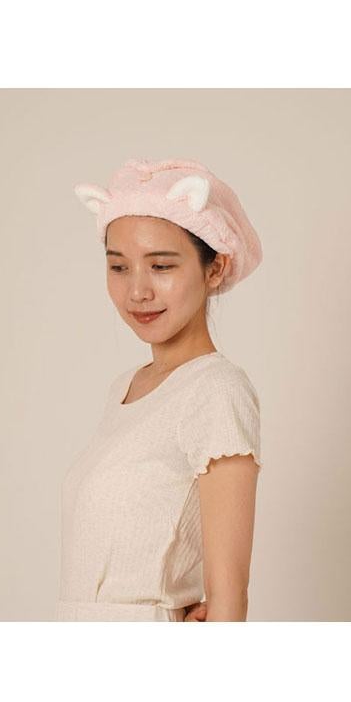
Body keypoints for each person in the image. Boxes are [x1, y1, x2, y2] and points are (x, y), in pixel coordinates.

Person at [55, 157, 264, 622]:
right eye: (119, 267)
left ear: (215, 269)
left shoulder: (216, 389)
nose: (137, 292)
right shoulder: (125, 387)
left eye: (162, 265)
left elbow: (229, 597)